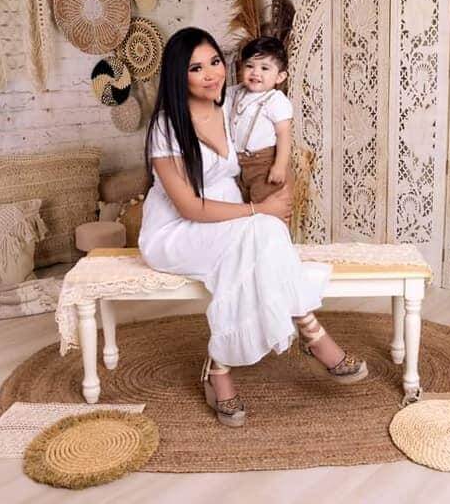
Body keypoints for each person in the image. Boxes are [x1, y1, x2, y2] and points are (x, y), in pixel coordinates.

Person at [138, 27, 367, 428]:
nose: (212, 74)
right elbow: (189, 206)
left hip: (230, 221)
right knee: (259, 230)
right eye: (196, 68)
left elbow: (277, 131)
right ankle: (310, 333)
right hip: (177, 230)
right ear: (178, 75)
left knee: (261, 236)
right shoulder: (166, 125)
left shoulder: (230, 107)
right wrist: (257, 209)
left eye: (214, 62)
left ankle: (222, 366)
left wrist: (269, 194)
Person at [228, 36, 294, 220]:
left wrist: (279, 166)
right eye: (250, 66)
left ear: (280, 76)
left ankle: (273, 244)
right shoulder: (237, 92)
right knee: (246, 208)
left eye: (265, 68)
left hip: (264, 164)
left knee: (268, 210)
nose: (256, 73)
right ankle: (250, 245)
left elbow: (284, 134)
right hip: (240, 164)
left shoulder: (275, 100)